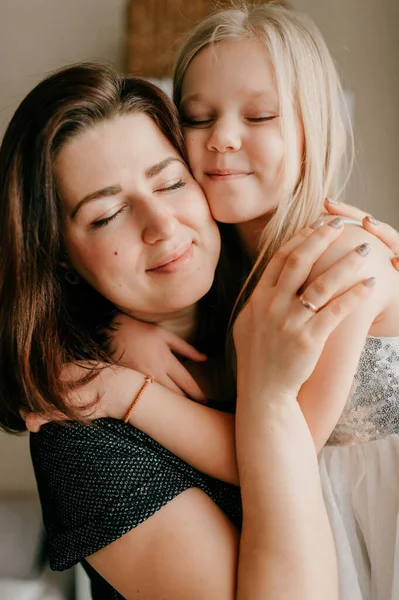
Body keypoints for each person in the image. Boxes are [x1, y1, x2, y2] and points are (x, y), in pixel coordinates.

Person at [0, 62, 380, 600]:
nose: (162, 226)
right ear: (58, 256)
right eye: (108, 215)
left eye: (172, 182)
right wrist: (266, 403)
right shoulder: (82, 428)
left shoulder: (276, 288)